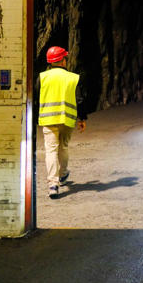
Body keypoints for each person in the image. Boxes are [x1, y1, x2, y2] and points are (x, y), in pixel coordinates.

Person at [38, 46, 86, 199]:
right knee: (63, 147)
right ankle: (63, 174)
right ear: (63, 61)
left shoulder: (42, 77)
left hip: (48, 119)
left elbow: (35, 97)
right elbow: (79, 99)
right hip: (67, 119)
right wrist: (82, 119)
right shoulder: (73, 78)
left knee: (51, 150)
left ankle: (53, 185)